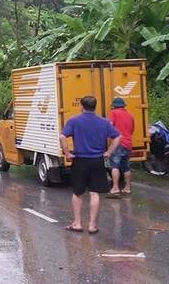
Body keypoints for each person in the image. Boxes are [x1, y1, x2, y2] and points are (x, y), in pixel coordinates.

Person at [59, 96, 121, 234]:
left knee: (77, 192)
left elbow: (62, 136)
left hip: (80, 160)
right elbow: (117, 136)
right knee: (95, 193)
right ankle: (92, 226)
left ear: (82, 106)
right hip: (97, 160)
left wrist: (67, 153)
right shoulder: (104, 122)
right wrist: (109, 152)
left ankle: (77, 223)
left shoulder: (74, 121)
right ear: (95, 106)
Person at [108, 97, 134, 195]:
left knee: (115, 165)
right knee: (126, 166)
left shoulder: (113, 113)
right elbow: (131, 130)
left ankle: (115, 187)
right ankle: (127, 187)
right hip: (128, 143)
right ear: (123, 106)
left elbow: (109, 126)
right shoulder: (130, 115)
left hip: (118, 143)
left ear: (114, 106)